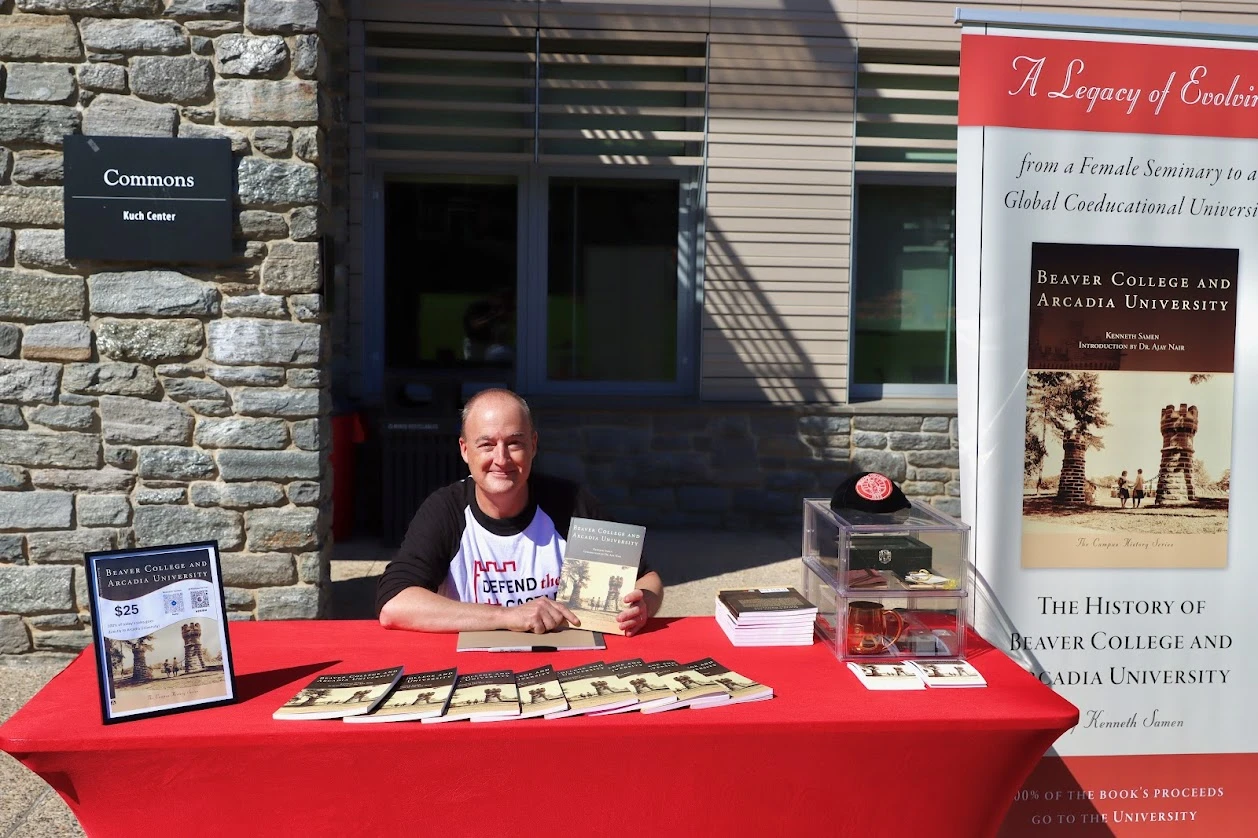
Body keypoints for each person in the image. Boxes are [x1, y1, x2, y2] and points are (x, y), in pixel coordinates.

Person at [376, 388, 664, 635]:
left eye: (514, 443)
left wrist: (642, 607)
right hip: (472, 670)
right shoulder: (446, 510)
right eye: (487, 444)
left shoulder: (569, 502)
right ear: (465, 450)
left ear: (533, 445)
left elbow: (647, 579)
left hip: (564, 663)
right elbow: (394, 605)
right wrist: (507, 616)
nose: (501, 459)